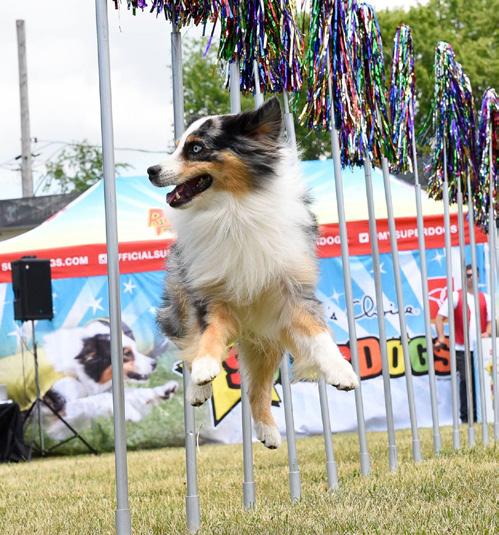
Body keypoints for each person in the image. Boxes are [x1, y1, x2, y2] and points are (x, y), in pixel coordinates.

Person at [435, 264, 492, 423]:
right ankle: (466, 417)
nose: (470, 278)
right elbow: (439, 317)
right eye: (467, 275)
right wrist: (441, 337)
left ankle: (482, 414)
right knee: (467, 381)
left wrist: (487, 333)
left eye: (473, 275)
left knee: (482, 381)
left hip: (480, 349)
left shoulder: (485, 298)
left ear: (478, 277)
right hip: (461, 348)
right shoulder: (455, 296)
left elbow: (490, 321)